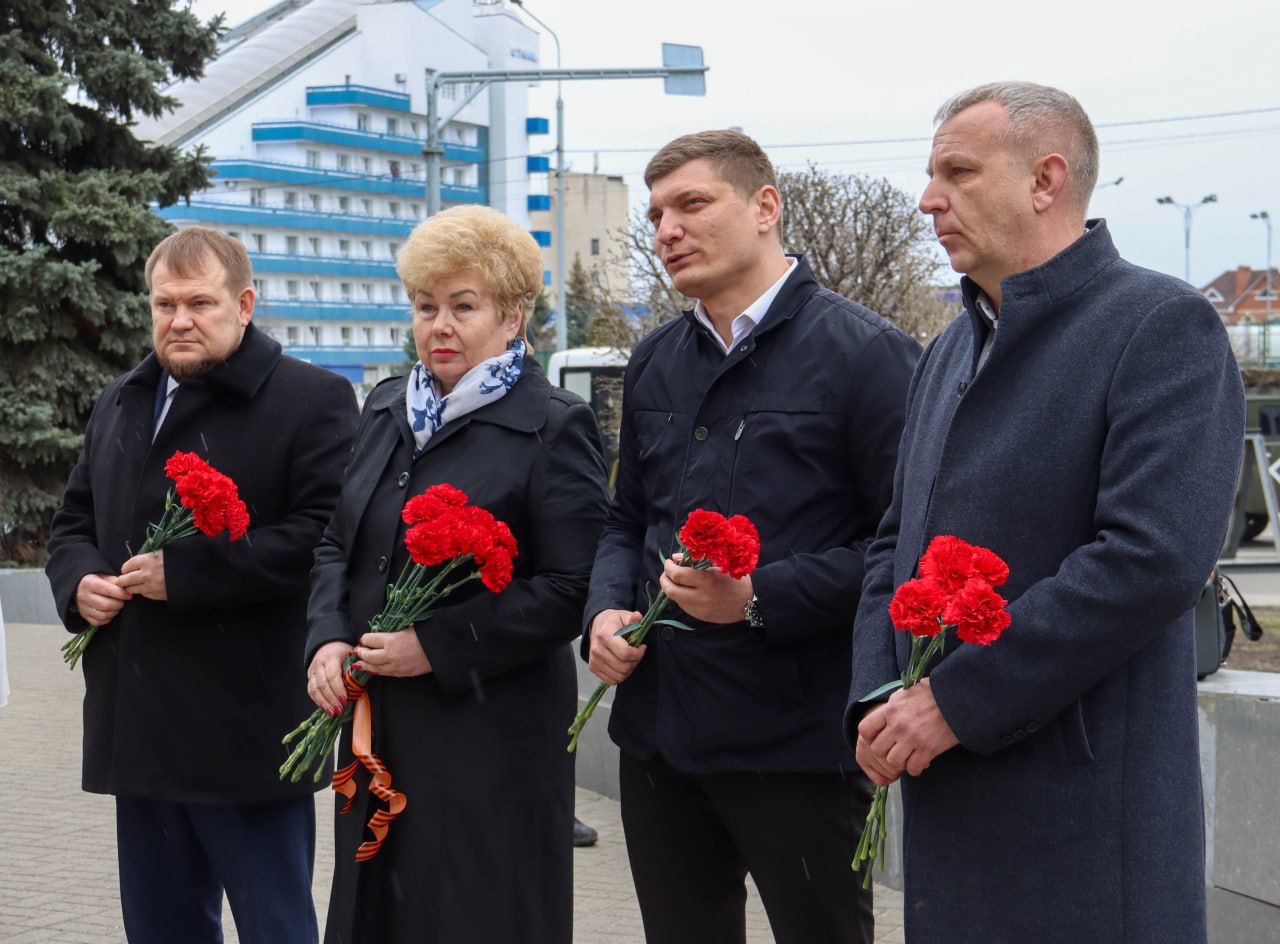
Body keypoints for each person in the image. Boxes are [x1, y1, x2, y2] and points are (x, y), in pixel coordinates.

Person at [848, 82, 1244, 944]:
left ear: (1045, 179)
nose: (928, 199)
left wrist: (955, 700)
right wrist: (879, 693)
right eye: (930, 174)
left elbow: (1153, 558)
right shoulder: (948, 348)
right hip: (948, 801)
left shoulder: (1160, 324)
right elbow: (895, 542)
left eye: (957, 171)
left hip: (1082, 822)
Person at [585, 130, 919, 944]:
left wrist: (758, 599)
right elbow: (626, 518)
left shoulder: (869, 356)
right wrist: (602, 611)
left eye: (692, 204)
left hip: (797, 745)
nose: (667, 230)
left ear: (766, 207)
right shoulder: (655, 360)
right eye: (656, 214)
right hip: (658, 738)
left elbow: (904, 551)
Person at [45, 226, 359, 944]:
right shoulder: (122, 397)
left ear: (244, 306)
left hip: (244, 727)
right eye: (165, 304)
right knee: (161, 930)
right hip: (138, 722)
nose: (179, 320)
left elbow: (325, 538)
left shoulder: (311, 397)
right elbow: (74, 521)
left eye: (200, 303)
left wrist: (187, 573)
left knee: (275, 928)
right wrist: (79, 581)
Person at [305, 204, 609, 944]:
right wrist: (327, 637)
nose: (439, 325)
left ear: (512, 317)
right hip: (381, 726)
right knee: (379, 915)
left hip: (489, 738)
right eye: (425, 306)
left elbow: (572, 586)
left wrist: (436, 646)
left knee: (475, 916)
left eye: (463, 307)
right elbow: (337, 542)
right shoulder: (387, 407)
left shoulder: (553, 424)